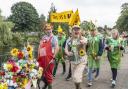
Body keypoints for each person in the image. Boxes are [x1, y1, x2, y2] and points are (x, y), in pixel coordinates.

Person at [38, 23, 59, 89]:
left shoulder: (54, 38)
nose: (48, 30)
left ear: (52, 29)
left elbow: (57, 47)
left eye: (49, 29)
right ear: (45, 30)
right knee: (40, 73)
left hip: (49, 59)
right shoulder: (43, 37)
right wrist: (38, 55)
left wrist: (54, 57)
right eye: (47, 29)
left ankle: (49, 86)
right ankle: (46, 83)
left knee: (48, 75)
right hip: (42, 59)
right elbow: (40, 46)